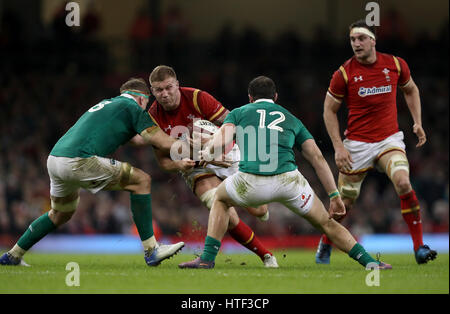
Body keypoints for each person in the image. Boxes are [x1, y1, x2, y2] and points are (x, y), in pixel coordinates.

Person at [178, 76, 391, 269]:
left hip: (250, 182)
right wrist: (334, 195)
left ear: (250, 97)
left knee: (221, 200)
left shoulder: (238, 113)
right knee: (327, 223)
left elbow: (220, 142)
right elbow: (316, 158)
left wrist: (200, 156)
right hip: (289, 182)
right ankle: (370, 262)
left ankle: (207, 258)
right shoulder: (292, 119)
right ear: (276, 97)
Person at [0, 78, 190, 267]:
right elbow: (160, 140)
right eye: (146, 104)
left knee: (60, 214)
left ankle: (13, 255)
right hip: (79, 160)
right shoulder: (131, 106)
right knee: (141, 180)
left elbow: (140, 140)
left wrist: (164, 137)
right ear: (142, 98)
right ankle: (152, 250)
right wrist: (193, 145)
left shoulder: (109, 105)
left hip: (56, 159)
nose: (145, 108)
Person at [315, 20, 437, 265]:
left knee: (403, 182)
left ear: (373, 40)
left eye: (361, 38)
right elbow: (329, 110)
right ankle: (325, 244)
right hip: (356, 146)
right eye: (352, 40)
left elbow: (411, 90)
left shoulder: (394, 64)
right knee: (344, 205)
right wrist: (339, 146)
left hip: (388, 140)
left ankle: (419, 247)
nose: (356, 44)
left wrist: (417, 121)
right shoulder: (344, 74)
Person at [145, 65, 278, 268]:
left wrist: (212, 146)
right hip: (197, 167)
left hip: (226, 154)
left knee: (259, 211)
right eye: (158, 90)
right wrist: (179, 163)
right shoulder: (153, 117)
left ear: (177, 85)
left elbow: (234, 125)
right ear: (152, 91)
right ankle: (267, 255)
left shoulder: (198, 98)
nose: (164, 94)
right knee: (223, 209)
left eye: (168, 88)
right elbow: (163, 161)